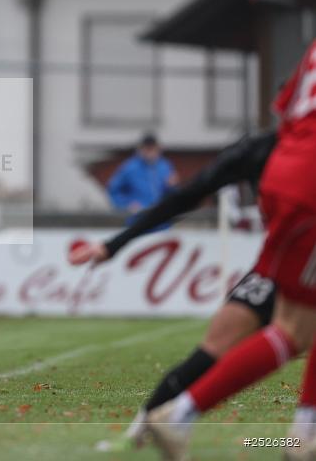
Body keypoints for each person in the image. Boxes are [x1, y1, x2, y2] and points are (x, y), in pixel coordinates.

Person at [147, 40, 316, 460]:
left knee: (298, 325)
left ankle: (303, 436)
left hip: (287, 174)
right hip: (312, 185)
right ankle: (181, 414)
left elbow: (286, 110)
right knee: (293, 329)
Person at [70, 129, 277, 451]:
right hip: (284, 262)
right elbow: (182, 197)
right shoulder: (260, 150)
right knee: (227, 336)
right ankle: (147, 428)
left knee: (289, 334)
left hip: (291, 260)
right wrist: (114, 245)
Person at [107, 133, 178, 225]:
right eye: (147, 149)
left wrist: (172, 187)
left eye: (153, 149)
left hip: (161, 222)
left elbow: (170, 194)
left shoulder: (165, 166)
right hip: (138, 222)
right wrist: (127, 204)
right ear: (141, 149)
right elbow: (113, 190)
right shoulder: (130, 168)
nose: (150, 152)